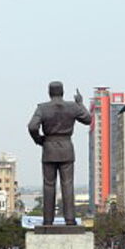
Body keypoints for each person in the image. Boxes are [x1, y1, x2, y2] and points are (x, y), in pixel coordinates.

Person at [27, 81, 91, 225]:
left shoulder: (42, 108)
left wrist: (39, 140)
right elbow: (88, 119)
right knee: (68, 184)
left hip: (49, 148)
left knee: (48, 185)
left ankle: (48, 220)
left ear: (49, 93)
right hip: (66, 148)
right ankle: (70, 219)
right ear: (62, 92)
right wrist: (80, 103)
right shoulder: (72, 107)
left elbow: (32, 127)